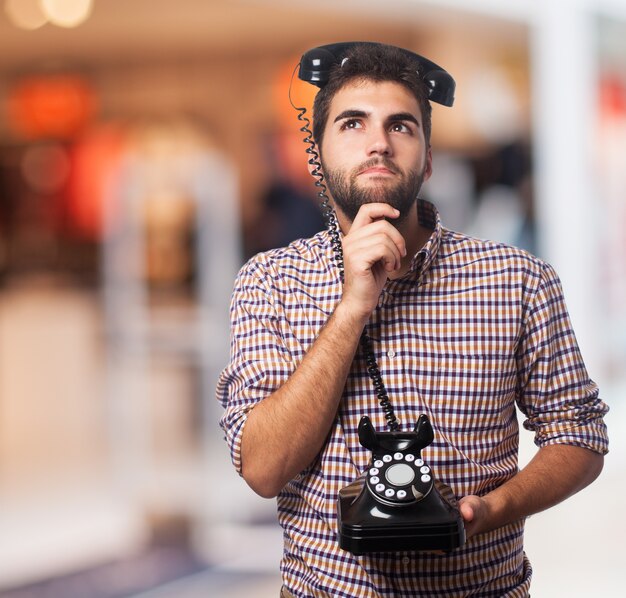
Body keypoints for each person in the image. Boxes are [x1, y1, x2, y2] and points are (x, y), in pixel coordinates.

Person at [216, 42, 609, 597]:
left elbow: (580, 434)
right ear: (318, 154)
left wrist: (494, 509)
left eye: (401, 126)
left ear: (427, 159)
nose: (378, 143)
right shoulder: (269, 281)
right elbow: (262, 468)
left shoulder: (519, 279)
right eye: (353, 124)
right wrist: (352, 307)